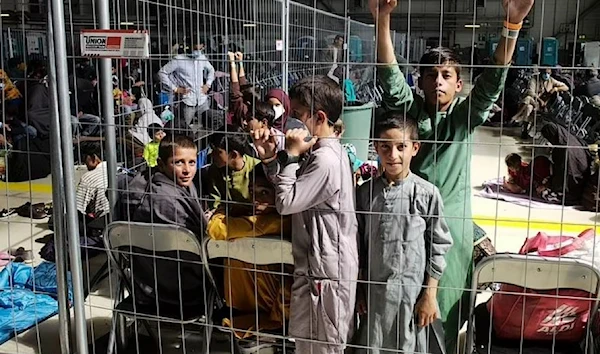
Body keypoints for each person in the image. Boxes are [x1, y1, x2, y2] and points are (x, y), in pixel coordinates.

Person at [370, 0, 534, 350]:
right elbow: (390, 75)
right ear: (422, 82)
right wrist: (382, 20)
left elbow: (492, 81)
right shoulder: (411, 113)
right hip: (408, 222)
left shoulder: (463, 118)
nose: (439, 82)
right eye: (432, 75)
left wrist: (512, 26)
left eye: (447, 76)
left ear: (459, 85)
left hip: (453, 231)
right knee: (401, 309)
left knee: (445, 311)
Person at [252, 75, 358, 353]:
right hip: (314, 266)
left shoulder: (325, 160)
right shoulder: (319, 152)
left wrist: (291, 156)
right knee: (306, 342)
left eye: (297, 115)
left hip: (327, 271)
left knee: (323, 346)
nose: (291, 122)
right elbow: (295, 193)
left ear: (319, 117)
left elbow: (286, 203)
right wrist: (271, 158)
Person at [355, 114, 453, 353]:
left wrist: (429, 295)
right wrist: (358, 289)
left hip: (412, 296)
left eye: (401, 147)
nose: (393, 155)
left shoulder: (427, 194)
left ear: (415, 148)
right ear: (376, 147)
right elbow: (358, 246)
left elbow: (438, 246)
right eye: (385, 147)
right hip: (374, 296)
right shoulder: (365, 194)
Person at [207, 165, 292, 338]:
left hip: (267, 311)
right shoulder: (267, 217)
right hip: (254, 305)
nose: (256, 200)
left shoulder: (274, 222)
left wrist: (219, 213)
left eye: (264, 193)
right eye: (253, 192)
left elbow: (218, 229)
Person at [132, 135, 205, 236]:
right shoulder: (165, 199)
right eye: (178, 162)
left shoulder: (181, 181)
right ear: (161, 164)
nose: (187, 170)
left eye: (192, 162)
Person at [159, 39, 215, 128]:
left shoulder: (202, 58)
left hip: (202, 100)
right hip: (187, 101)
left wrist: (208, 84)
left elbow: (211, 70)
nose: (198, 52)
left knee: (208, 126)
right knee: (185, 128)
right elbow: (162, 73)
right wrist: (175, 88)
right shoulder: (178, 59)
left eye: (200, 49)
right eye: (195, 49)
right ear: (189, 46)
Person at [206, 125, 260, 210]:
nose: (212, 155)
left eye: (217, 152)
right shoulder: (215, 170)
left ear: (233, 155)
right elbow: (215, 202)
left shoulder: (257, 168)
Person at [76, 143, 110, 218]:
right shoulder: (119, 170)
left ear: (94, 158)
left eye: (85, 158)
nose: (85, 163)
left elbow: (77, 208)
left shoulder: (88, 177)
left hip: (104, 220)